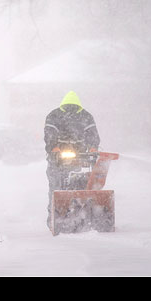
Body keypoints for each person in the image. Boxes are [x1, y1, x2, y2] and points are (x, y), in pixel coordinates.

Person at [44, 90, 100, 227]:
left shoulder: (85, 117)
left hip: (79, 158)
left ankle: (84, 211)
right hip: (56, 161)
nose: (72, 112)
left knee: (83, 183)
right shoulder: (54, 116)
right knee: (56, 186)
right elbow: (49, 135)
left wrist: (93, 148)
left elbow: (92, 134)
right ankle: (54, 216)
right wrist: (55, 148)